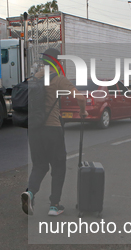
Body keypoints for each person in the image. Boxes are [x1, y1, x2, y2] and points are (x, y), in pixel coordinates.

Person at [21, 48, 88, 216]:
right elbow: (80, 98)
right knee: (58, 166)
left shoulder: (33, 79)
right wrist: (82, 111)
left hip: (34, 129)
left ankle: (30, 193)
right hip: (52, 129)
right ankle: (54, 205)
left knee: (39, 165)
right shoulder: (58, 80)